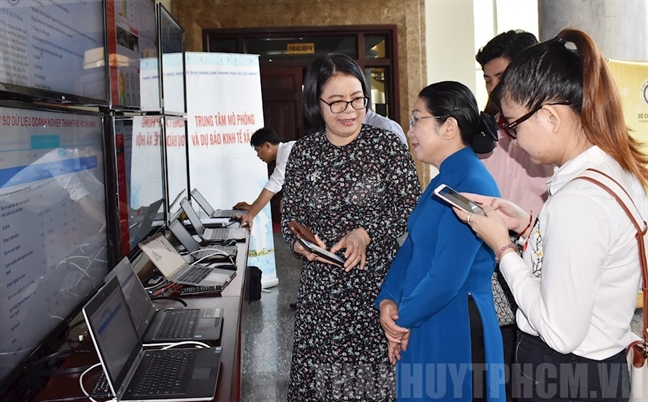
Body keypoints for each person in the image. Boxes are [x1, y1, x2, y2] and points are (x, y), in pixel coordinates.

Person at [457, 28, 648, 401]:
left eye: (514, 124)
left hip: (564, 375)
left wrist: (502, 248)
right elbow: (586, 263)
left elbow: (559, 332)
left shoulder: (579, 199)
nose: (513, 138)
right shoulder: (612, 169)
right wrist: (527, 226)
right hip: (595, 367)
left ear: (549, 116)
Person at [281, 52, 421, 401]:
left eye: (357, 99)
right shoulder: (304, 152)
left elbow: (410, 206)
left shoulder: (386, 145)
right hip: (322, 295)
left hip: (378, 289)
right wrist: (300, 244)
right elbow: (291, 217)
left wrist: (365, 232)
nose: (349, 110)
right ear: (316, 102)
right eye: (337, 102)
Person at [376, 81, 505, 402]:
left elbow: (448, 277)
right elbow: (412, 247)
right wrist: (388, 299)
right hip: (424, 315)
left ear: (448, 127)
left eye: (416, 119)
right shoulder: (443, 180)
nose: (410, 131)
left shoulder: (472, 183)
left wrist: (400, 322)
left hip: (456, 324)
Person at [475, 29, 554, 400]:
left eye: (501, 78)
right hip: (501, 250)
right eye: (488, 80)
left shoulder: (555, 140)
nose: (494, 89)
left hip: (541, 257)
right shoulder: (488, 128)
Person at [233, 127, 295, 231]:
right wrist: (252, 207)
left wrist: (250, 215)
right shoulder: (287, 150)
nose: (258, 155)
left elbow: (273, 185)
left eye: (258, 150)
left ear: (267, 146)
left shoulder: (288, 152)